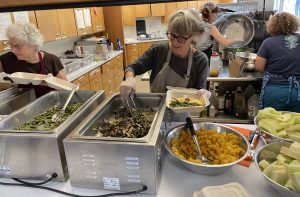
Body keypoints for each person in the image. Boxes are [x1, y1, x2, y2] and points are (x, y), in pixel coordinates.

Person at [120, 8, 210, 99]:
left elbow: (200, 91)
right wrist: (129, 79)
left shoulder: (200, 60)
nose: (174, 42)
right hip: (154, 106)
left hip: (182, 111)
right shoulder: (159, 50)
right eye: (172, 35)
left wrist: (203, 93)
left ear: (194, 37)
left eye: (181, 38)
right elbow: (132, 68)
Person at [0, 22, 67, 97]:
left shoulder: (52, 60)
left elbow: (66, 89)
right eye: (11, 45)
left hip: (49, 105)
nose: (13, 50)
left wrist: (53, 82)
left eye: (17, 46)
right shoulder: (9, 59)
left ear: (34, 46)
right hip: (24, 105)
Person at [255, 12, 300, 112]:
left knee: (271, 123)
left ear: (272, 26)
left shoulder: (268, 42)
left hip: (275, 91)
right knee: (295, 124)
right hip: (297, 91)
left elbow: (259, 66)